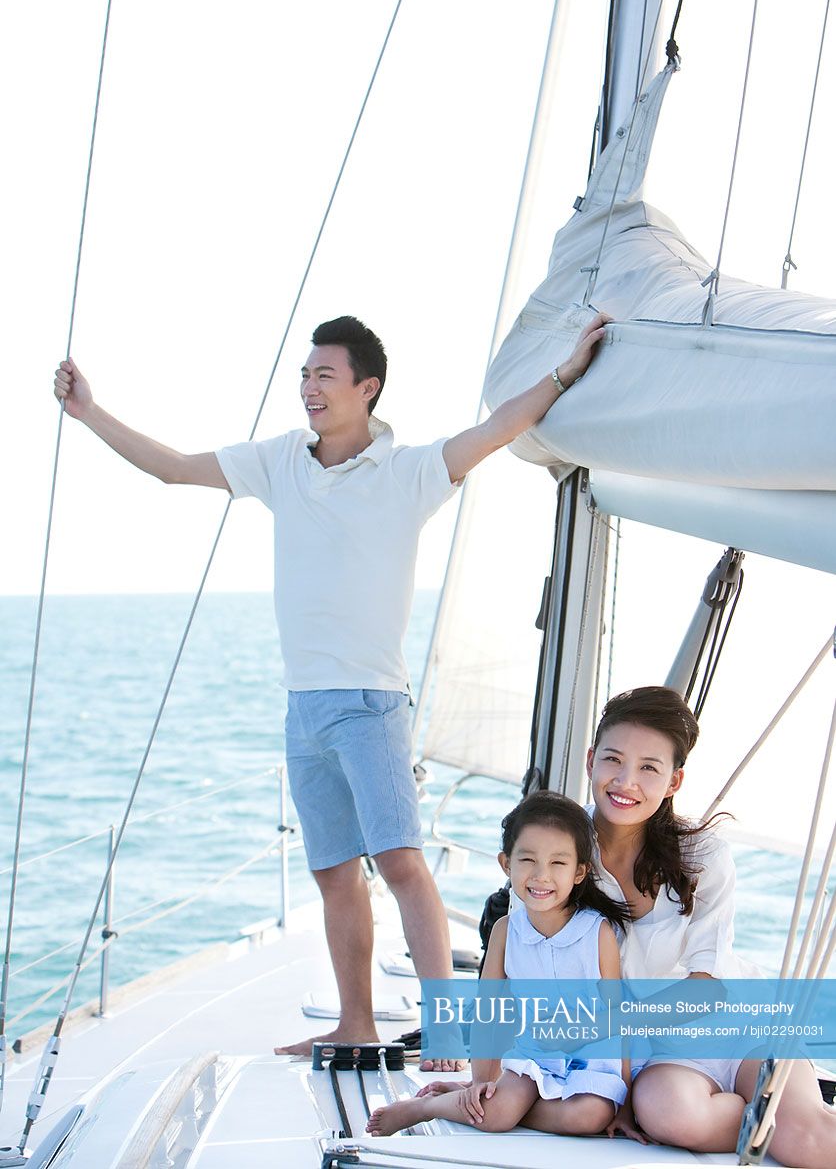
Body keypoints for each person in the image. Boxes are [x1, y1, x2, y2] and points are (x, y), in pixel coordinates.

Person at [53, 309, 609, 1065]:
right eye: (305, 374)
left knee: (402, 862)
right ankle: (355, 1021)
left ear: (365, 387)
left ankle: (446, 1026)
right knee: (331, 872)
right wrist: (89, 412)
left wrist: (564, 373)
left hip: (369, 702)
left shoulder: (409, 471)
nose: (309, 386)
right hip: (303, 705)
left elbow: (498, 427)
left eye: (324, 374)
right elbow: (172, 467)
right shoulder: (281, 460)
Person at [581, 685, 836, 1167]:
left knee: (806, 1140)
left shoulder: (703, 854)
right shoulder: (556, 850)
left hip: (740, 1024)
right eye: (613, 760)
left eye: (649, 768)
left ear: (674, 782)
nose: (625, 781)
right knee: (674, 1118)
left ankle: (785, 1114)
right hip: (660, 1056)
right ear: (591, 759)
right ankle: (764, 1114)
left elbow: (708, 989)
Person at [366, 791, 635, 1137]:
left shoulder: (596, 932)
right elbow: (488, 1012)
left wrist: (625, 1110)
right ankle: (426, 1107)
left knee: (588, 1117)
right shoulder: (507, 931)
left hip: (591, 1065)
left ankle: (478, 1103)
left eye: (558, 863)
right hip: (533, 1057)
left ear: (580, 872)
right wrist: (480, 1083)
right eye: (528, 860)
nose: (541, 876)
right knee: (493, 1117)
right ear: (506, 864)